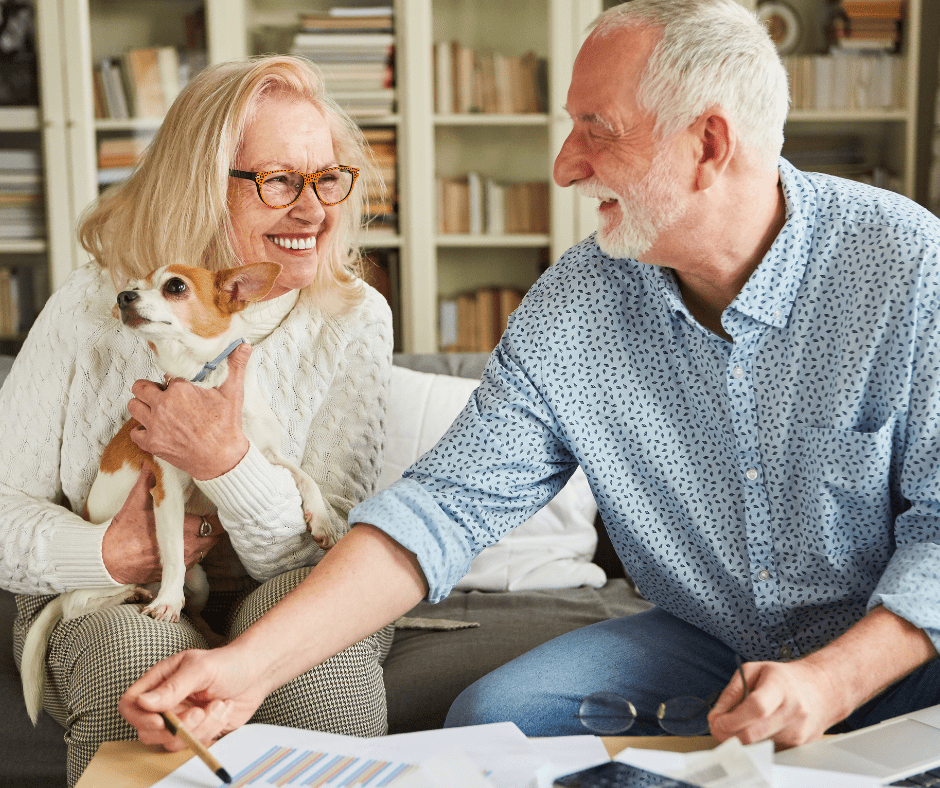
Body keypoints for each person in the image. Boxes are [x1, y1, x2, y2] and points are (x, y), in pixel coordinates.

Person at [121, 0, 940, 754]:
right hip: (715, 637)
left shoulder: (907, 266)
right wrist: (246, 671)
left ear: (710, 144)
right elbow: (446, 505)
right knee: (492, 726)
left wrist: (834, 680)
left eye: (598, 129)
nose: (565, 165)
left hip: (901, 639)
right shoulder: (578, 303)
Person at [0, 55, 394, 785]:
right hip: (107, 592)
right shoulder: (93, 305)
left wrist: (228, 466)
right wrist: (106, 556)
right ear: (203, 185)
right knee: (133, 667)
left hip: (286, 584)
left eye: (327, 177)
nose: (314, 211)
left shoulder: (354, 318)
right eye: (279, 180)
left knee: (322, 671)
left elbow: (342, 554)